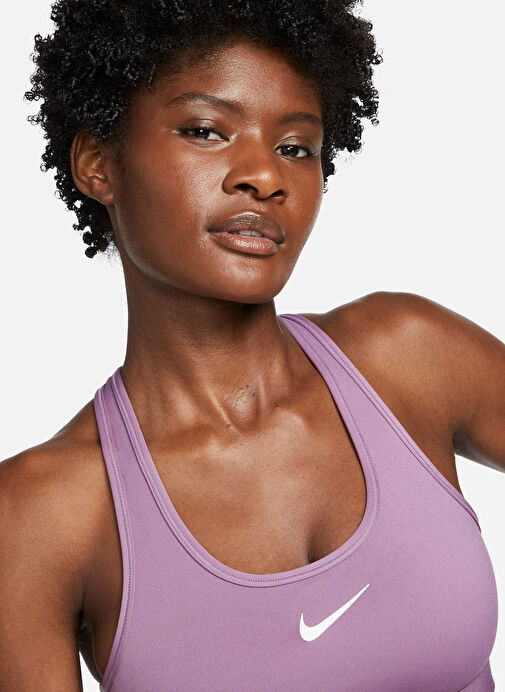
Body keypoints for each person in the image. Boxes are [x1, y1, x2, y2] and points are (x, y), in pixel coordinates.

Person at [1, 1, 503, 690]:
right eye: (206, 131)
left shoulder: (410, 357)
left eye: (295, 147)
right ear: (98, 163)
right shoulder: (44, 514)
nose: (265, 177)